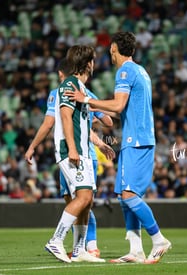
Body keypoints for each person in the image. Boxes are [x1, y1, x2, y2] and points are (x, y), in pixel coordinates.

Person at [66, 31, 171, 264]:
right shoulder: (141, 71)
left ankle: (159, 238)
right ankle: (135, 250)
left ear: (114, 48)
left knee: (129, 195)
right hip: (137, 139)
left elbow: (118, 103)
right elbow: (121, 110)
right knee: (125, 198)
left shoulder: (125, 71)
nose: (109, 53)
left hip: (137, 141)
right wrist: (94, 108)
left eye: (110, 49)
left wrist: (87, 101)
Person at [24, 58, 114, 258]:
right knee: (85, 201)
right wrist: (94, 105)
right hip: (84, 152)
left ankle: (81, 245)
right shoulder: (84, 93)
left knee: (79, 200)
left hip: (78, 152)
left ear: (60, 74)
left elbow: (49, 124)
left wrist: (32, 147)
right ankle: (82, 247)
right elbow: (108, 121)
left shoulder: (61, 93)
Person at [43, 45, 105, 263]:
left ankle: (79, 250)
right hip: (72, 150)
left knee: (87, 202)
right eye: (93, 60)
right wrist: (71, 148)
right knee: (84, 197)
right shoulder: (70, 84)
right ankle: (56, 240)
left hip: (83, 151)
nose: (95, 64)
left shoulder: (80, 87)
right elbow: (66, 116)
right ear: (88, 63)